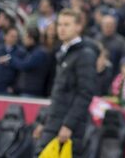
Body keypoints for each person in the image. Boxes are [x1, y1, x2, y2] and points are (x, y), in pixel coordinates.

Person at [35, 9, 97, 157]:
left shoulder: (85, 54)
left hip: (68, 128)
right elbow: (58, 93)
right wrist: (44, 121)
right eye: (60, 24)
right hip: (53, 122)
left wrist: (69, 125)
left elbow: (85, 93)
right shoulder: (63, 52)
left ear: (78, 27)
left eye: (67, 25)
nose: (61, 28)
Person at [9, 27, 49, 97]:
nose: (23, 40)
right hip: (25, 90)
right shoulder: (30, 51)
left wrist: (11, 59)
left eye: (25, 37)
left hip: (32, 92)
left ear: (31, 39)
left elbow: (25, 66)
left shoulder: (39, 53)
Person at [0, 27, 24, 94]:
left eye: (16, 37)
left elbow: (21, 73)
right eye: (12, 36)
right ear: (5, 36)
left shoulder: (20, 52)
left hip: (8, 90)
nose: (14, 39)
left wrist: (14, 88)